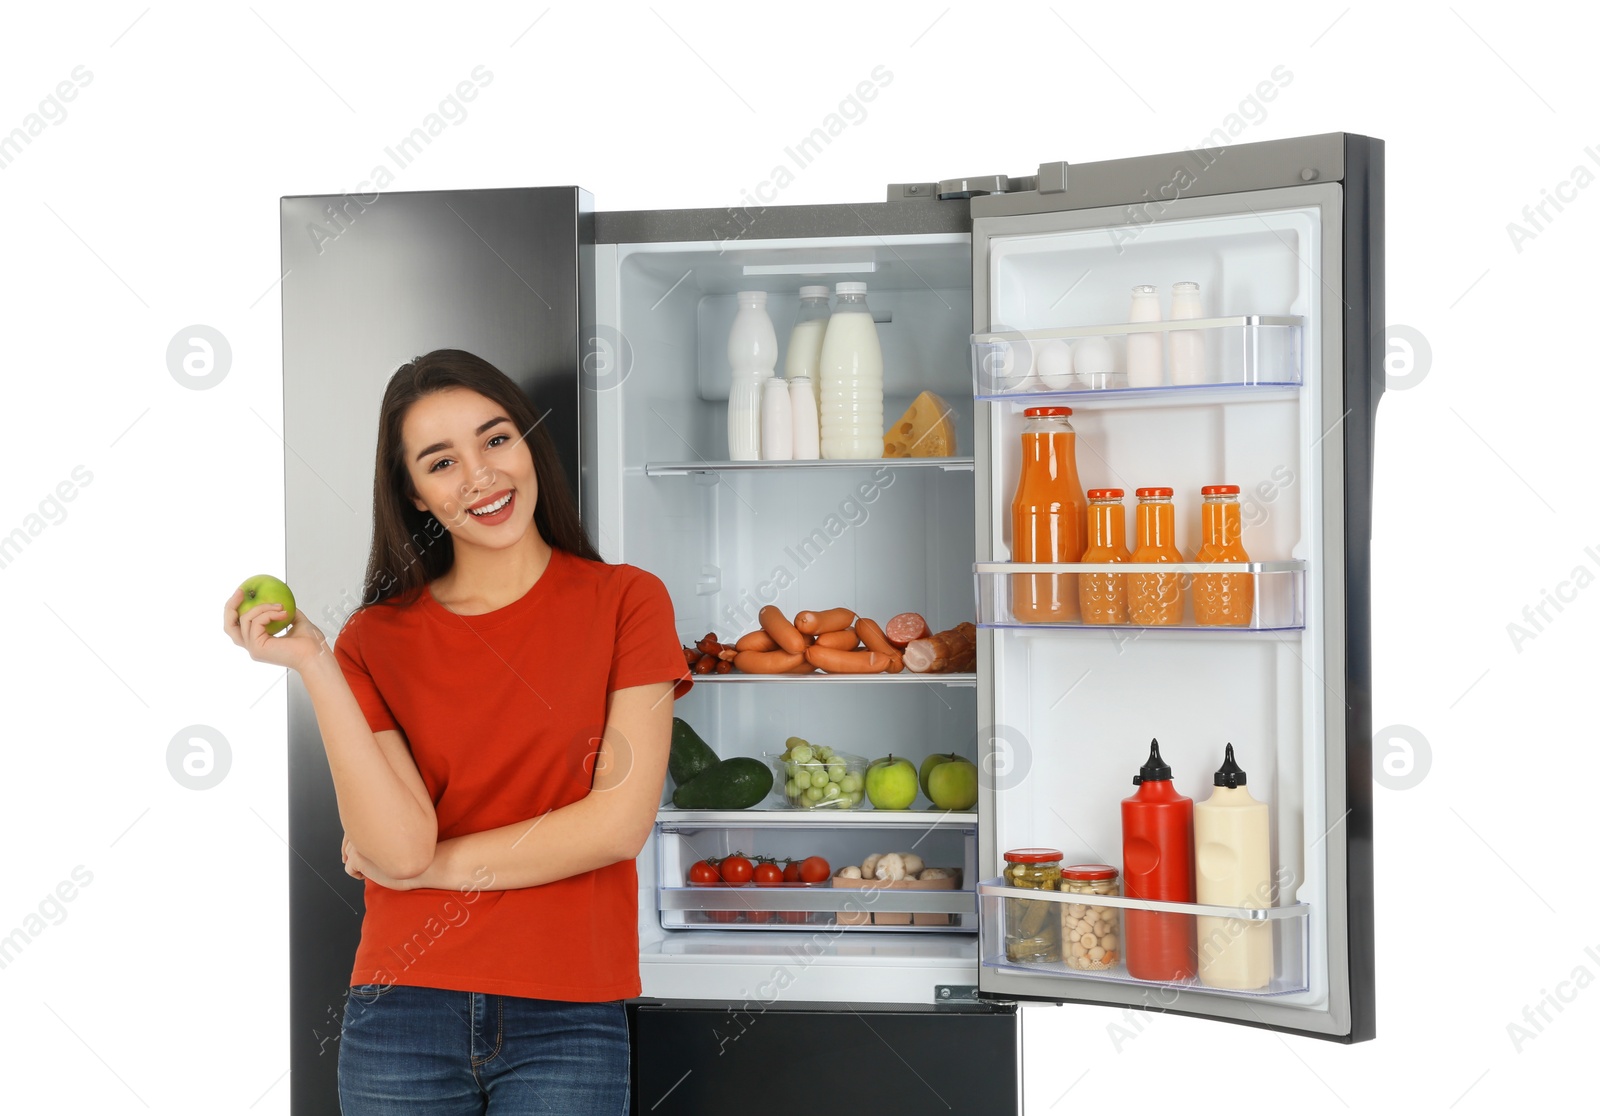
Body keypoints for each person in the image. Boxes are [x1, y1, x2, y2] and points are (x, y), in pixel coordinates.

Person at [223, 349, 691, 1114]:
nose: (480, 476)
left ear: (530, 443)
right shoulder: (373, 640)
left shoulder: (627, 602)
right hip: (403, 1007)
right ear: (413, 494)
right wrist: (313, 659)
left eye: (496, 439)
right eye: (442, 462)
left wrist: (414, 871)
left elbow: (615, 825)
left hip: (567, 1010)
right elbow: (396, 844)